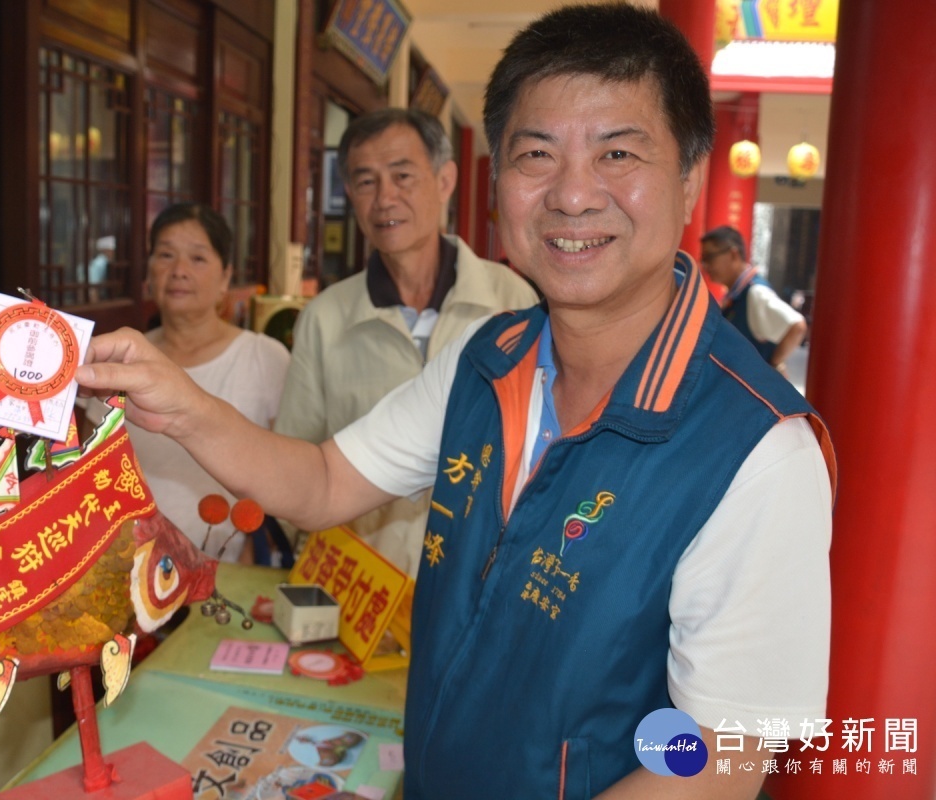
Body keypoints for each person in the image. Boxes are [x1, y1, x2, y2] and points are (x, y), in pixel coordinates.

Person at [76, 5, 836, 797]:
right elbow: (325, 482)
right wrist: (182, 404)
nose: (573, 195)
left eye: (618, 153)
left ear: (688, 183)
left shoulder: (758, 449)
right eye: (537, 154)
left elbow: (724, 760)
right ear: (498, 180)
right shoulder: (487, 361)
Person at [274, 108, 537, 576]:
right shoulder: (326, 318)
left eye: (402, 176)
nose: (385, 199)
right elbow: (295, 455)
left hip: (481, 584)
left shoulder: (511, 302)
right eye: (366, 181)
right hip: (363, 591)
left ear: (444, 180)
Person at [91, 204, 290, 563]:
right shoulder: (121, 358)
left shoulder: (265, 358)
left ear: (226, 278)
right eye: (166, 255)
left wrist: (257, 543)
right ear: (149, 271)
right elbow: (94, 471)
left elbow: (289, 467)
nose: (179, 271)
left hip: (230, 565)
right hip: (128, 565)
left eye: (198, 259)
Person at [701, 225, 808, 371]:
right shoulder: (737, 294)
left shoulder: (755, 293)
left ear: (733, 254)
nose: (705, 265)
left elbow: (797, 326)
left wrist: (773, 364)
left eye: (709, 257)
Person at [87, 235, 115, 302]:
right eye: (112, 250)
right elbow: (93, 288)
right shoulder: (98, 264)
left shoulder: (108, 262)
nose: (113, 253)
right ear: (105, 250)